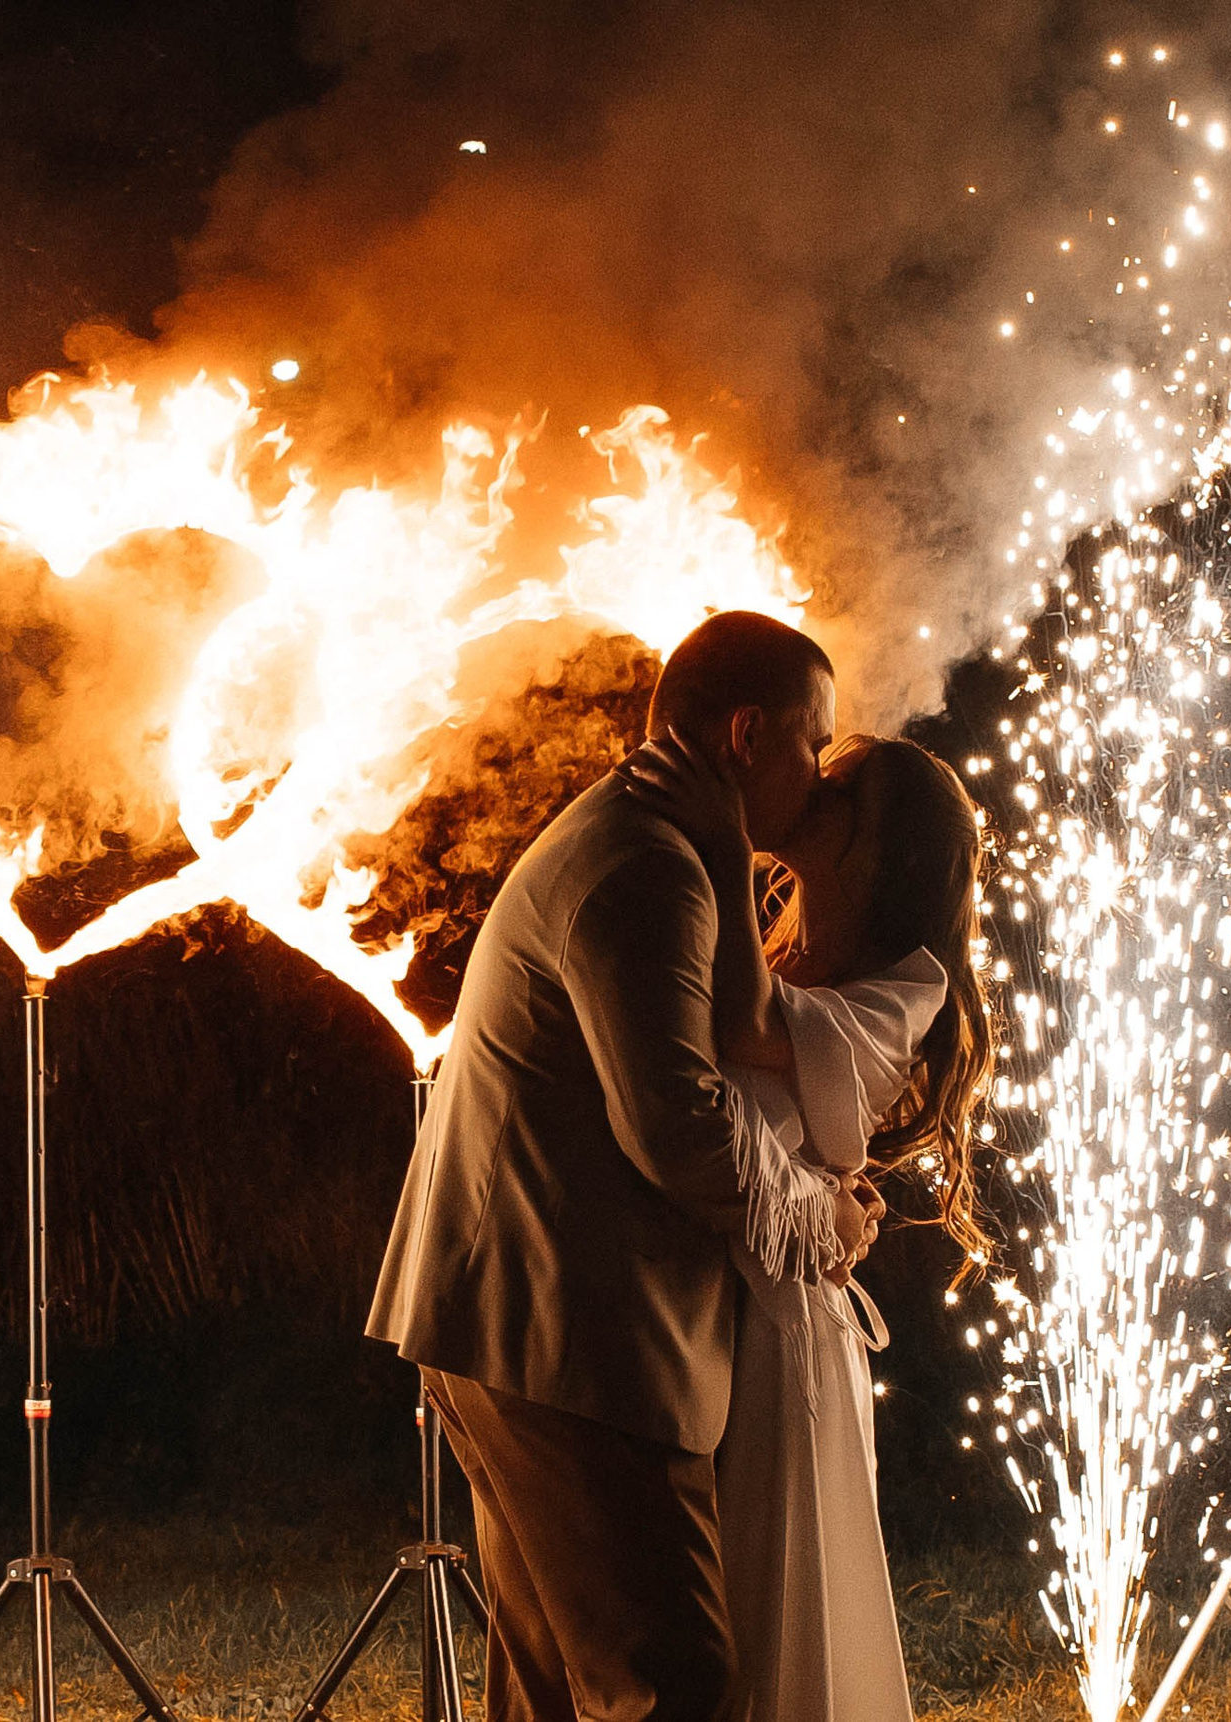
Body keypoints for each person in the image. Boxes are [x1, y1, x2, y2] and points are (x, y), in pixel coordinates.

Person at [367, 609, 884, 1722]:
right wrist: (819, 1219)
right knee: (670, 1683)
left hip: (517, 1317)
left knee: (557, 1691)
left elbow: (710, 1050)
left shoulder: (647, 842)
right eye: (814, 741)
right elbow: (675, 1126)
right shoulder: (647, 866)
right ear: (748, 733)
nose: (821, 775)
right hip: (567, 1332)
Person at [623, 727, 996, 1722]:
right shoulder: (779, 951)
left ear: (881, 853)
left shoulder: (905, 991)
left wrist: (719, 840)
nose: (808, 796)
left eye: (837, 797)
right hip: (713, 1310)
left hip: (782, 1340)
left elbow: (741, 1030)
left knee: (763, 1612)